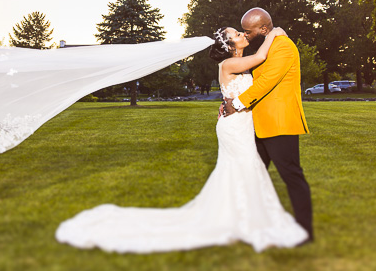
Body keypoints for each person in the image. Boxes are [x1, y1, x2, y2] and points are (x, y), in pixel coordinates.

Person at [55, 26, 308, 253]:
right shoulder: (229, 65)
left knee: (245, 169)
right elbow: (262, 57)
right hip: (235, 127)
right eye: (237, 34)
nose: (243, 35)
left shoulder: (239, 63)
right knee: (242, 168)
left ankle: (245, 217)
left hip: (241, 124)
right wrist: (275, 33)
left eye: (241, 32)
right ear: (230, 46)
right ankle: (242, 220)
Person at [223, 7, 313, 242]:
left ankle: (305, 232)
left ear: (264, 29)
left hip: (279, 124)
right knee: (252, 176)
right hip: (258, 124)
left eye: (248, 31)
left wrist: (238, 103)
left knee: (292, 176)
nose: (246, 35)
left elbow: (268, 81)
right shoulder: (268, 46)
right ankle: (250, 226)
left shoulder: (283, 46)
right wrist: (229, 101)